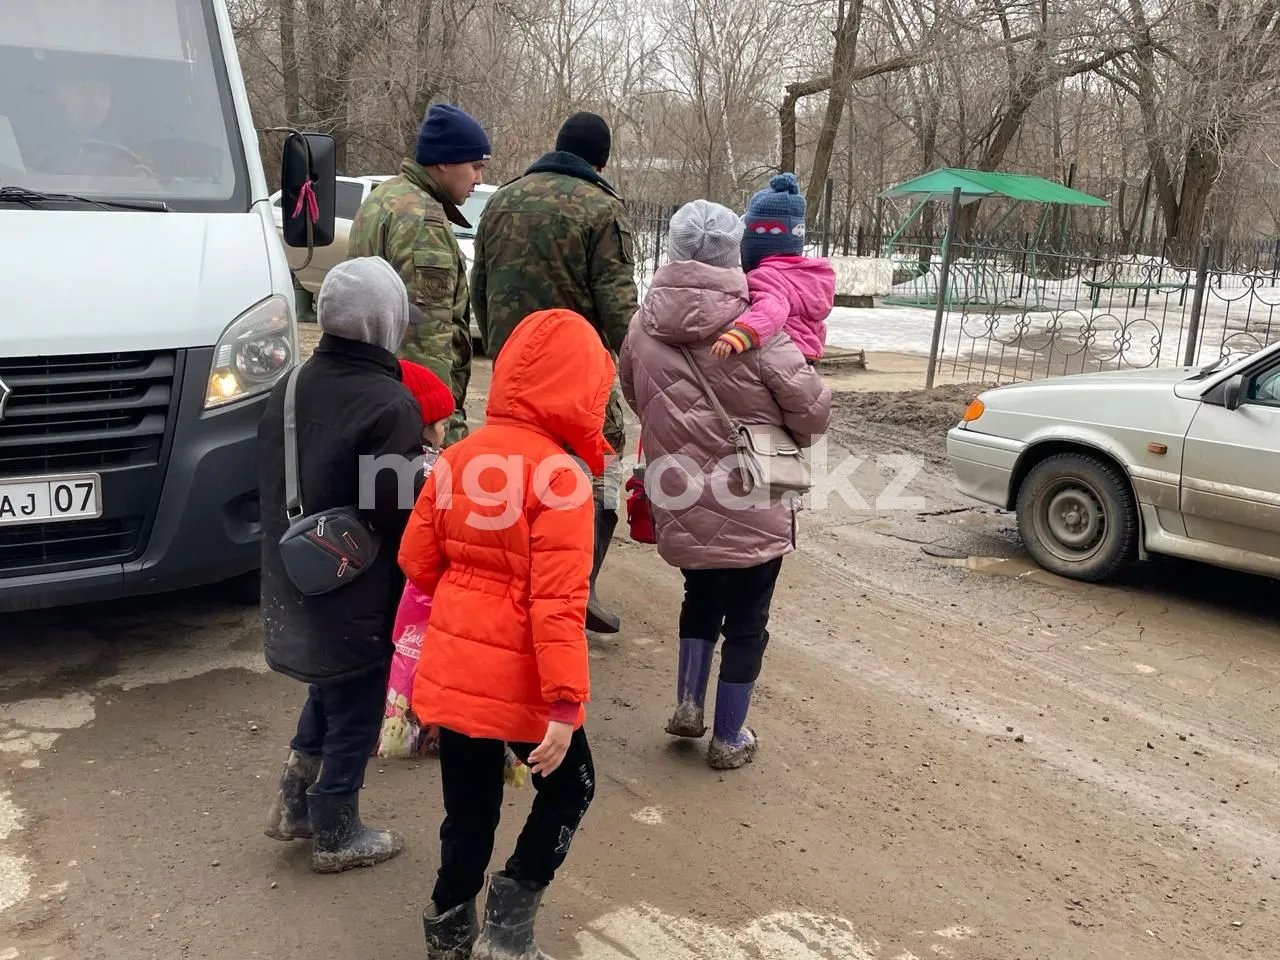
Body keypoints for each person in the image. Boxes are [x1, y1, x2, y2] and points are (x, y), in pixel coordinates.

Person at [401, 308, 611, 960]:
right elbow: (558, 607)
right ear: (582, 390)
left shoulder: (458, 457)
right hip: (521, 684)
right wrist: (566, 706)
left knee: (468, 810)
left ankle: (449, 933)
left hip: (455, 673)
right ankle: (510, 925)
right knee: (571, 786)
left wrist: (472, 597)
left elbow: (417, 563)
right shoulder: (562, 480)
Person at [618, 200, 833, 770]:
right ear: (732, 253)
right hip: (755, 492)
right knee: (748, 619)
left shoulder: (642, 327)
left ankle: (689, 705)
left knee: (699, 597)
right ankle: (729, 736)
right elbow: (812, 414)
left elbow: (635, 396)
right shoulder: (758, 328)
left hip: (679, 490)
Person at [259, 257, 425, 873]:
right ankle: (336, 828)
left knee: (328, 685)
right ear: (387, 321)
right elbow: (394, 510)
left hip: (294, 568)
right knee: (358, 698)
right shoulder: (389, 402)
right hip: (355, 581)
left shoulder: (292, 384)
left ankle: (294, 802)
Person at [470, 111, 638, 634]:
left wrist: (502, 348)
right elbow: (617, 307)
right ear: (601, 160)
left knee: (515, 475)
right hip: (576, 373)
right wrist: (635, 371)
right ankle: (572, 589)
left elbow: (480, 285)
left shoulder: (502, 199)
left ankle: (508, 583)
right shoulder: (601, 209)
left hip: (511, 367)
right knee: (600, 466)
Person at [347, 102, 492, 447]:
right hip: (409, 419)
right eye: (474, 166)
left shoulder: (383, 198)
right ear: (443, 161)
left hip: (373, 397)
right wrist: (444, 434)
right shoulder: (422, 222)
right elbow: (426, 340)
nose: (479, 179)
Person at [710, 173, 835, 365]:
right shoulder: (804, 274)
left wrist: (741, 334)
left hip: (782, 352)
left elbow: (772, 309)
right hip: (807, 351)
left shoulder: (766, 276)